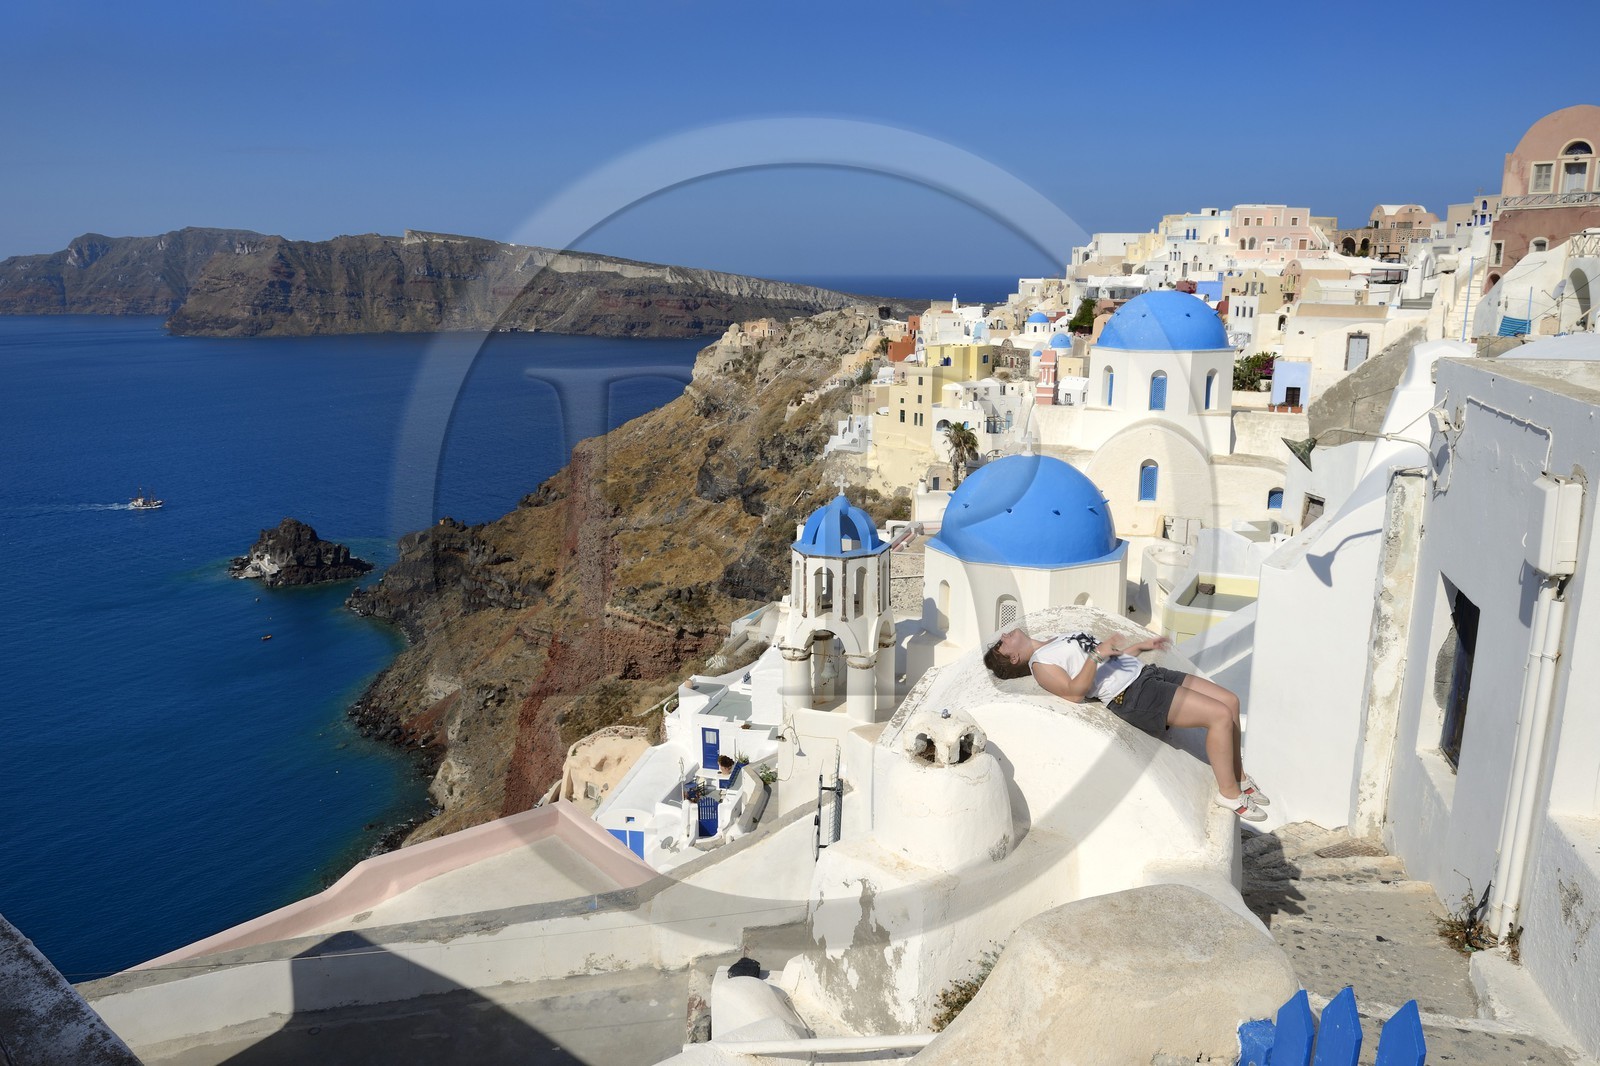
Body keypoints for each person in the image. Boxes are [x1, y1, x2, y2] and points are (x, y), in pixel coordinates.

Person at [983, 627, 1268, 821]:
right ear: (1014, 657)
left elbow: (1106, 661)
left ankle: (1240, 776)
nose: (1005, 635)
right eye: (1001, 644)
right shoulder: (1040, 664)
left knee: (1230, 702)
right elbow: (1074, 691)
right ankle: (1229, 793)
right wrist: (1097, 655)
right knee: (1218, 715)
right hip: (1132, 695)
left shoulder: (1056, 640)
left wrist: (1140, 647)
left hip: (1146, 674)